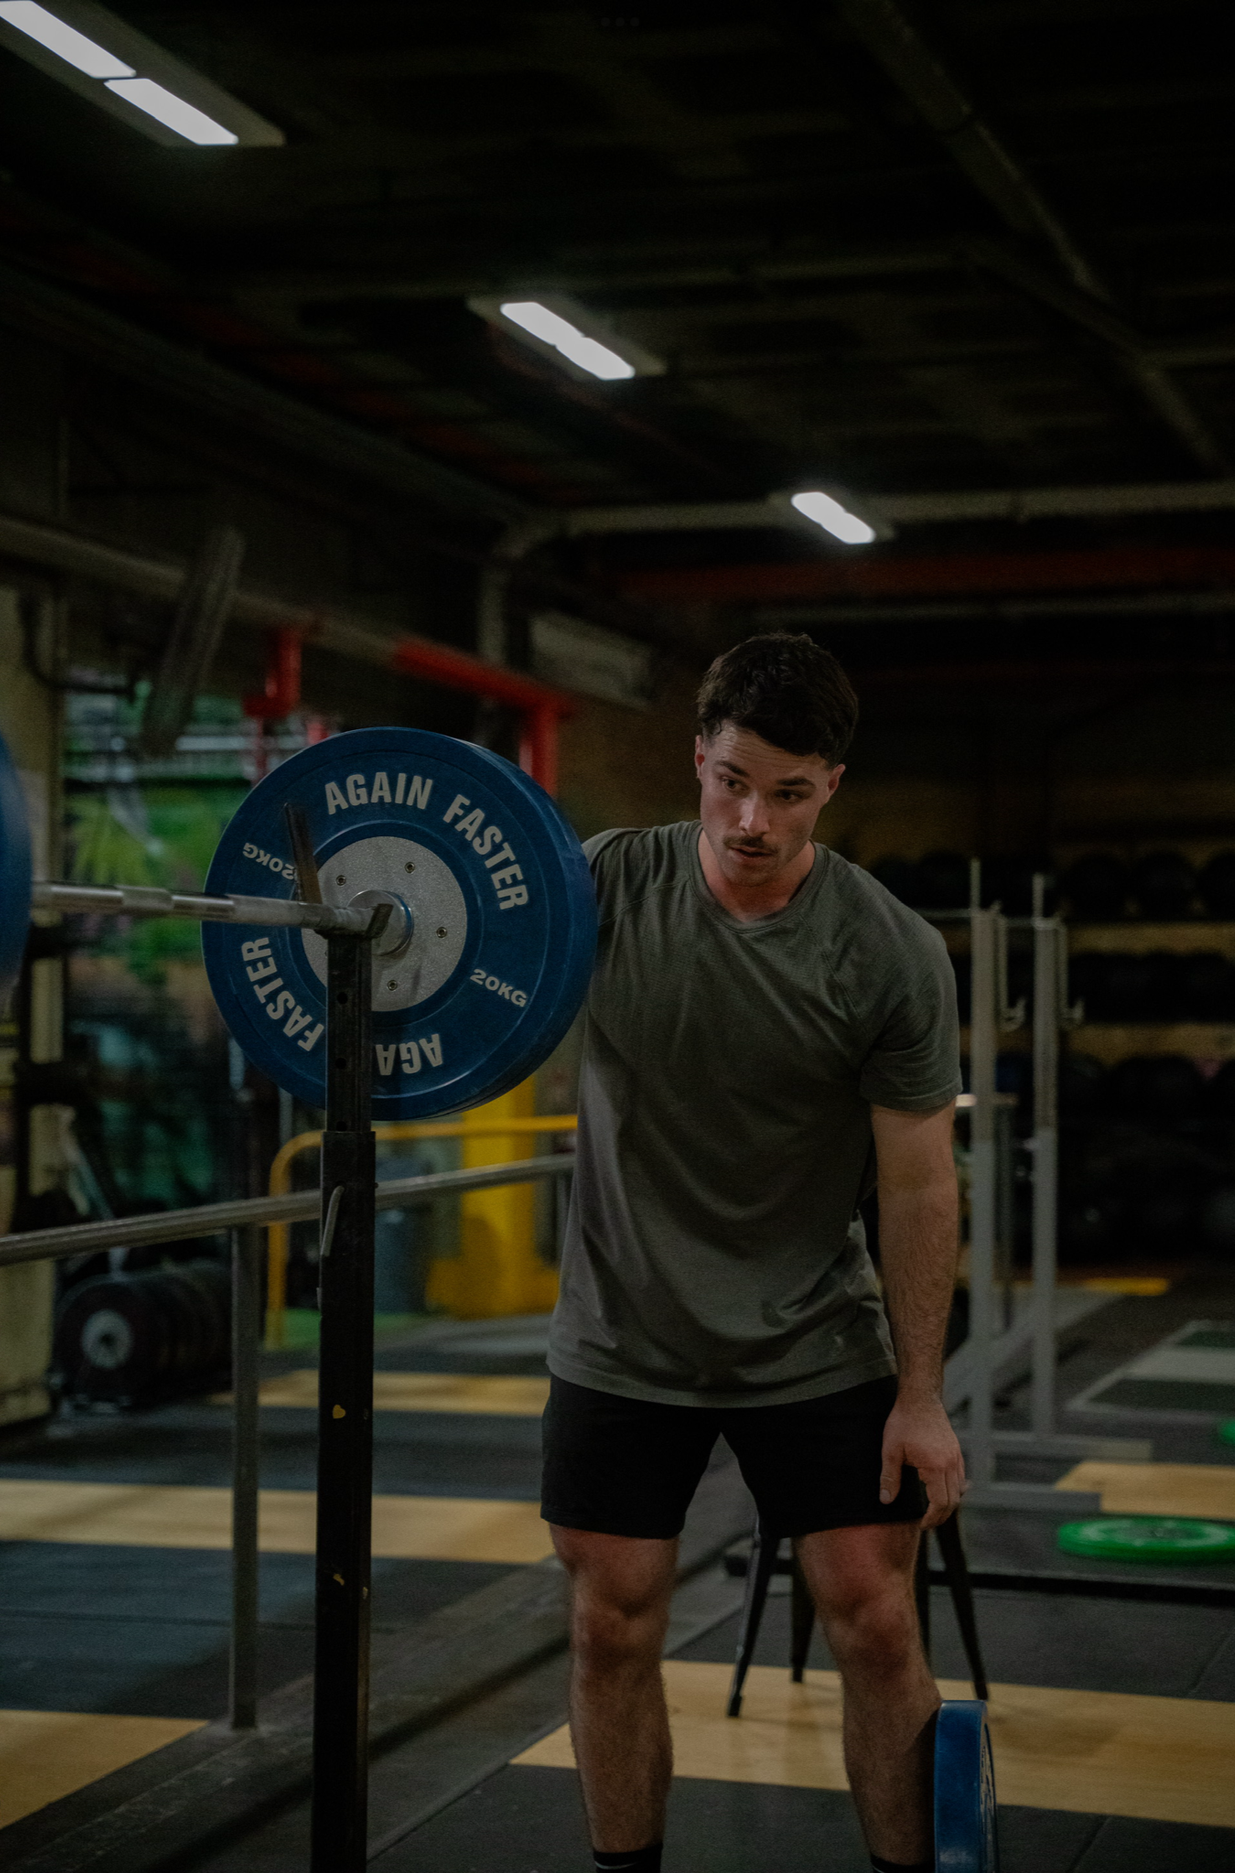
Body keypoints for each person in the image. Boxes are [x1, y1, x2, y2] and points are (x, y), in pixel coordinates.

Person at [542, 631, 965, 1873]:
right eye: (730, 780)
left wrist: (923, 1395)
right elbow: (465, 977)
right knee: (610, 1628)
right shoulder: (601, 888)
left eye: (787, 792)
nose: (751, 821)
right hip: (623, 1331)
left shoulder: (887, 952)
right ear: (697, 761)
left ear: (828, 785)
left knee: (876, 1621)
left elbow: (918, 1179)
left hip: (812, 1331)